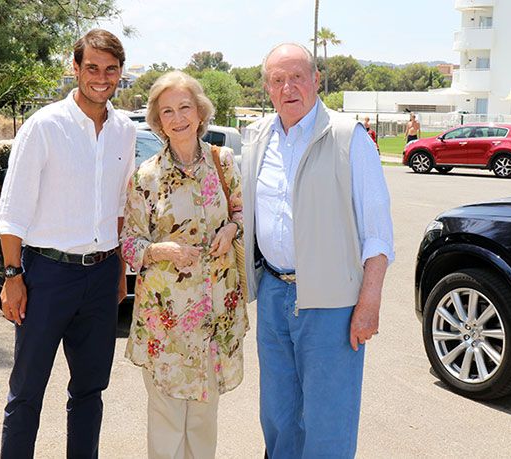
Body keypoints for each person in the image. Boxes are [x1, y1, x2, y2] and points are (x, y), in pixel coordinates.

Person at [240, 43, 394, 458]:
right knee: (278, 415)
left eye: (297, 77)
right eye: (277, 79)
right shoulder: (256, 140)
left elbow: (377, 231)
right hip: (273, 293)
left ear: (316, 81)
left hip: (332, 304)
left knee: (329, 420)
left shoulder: (348, 137)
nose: (288, 87)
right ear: (267, 89)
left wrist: (369, 302)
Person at [0, 29, 136, 458]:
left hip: (102, 275)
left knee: (90, 392)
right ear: (75, 69)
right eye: (91, 67)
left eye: (110, 69)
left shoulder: (125, 131)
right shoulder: (44, 126)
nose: (100, 77)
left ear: (120, 75)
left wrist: (119, 272)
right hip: (47, 276)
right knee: (27, 392)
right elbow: (12, 212)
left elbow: (119, 208)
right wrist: (13, 276)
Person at [120, 70, 248, 459]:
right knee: (167, 419)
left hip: (214, 313)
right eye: (168, 111)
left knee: (203, 419)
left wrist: (231, 229)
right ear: (158, 121)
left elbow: (240, 214)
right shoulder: (146, 176)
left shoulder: (222, 162)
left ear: (200, 111)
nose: (178, 118)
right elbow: (129, 244)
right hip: (166, 319)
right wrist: (163, 250)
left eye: (185, 107)